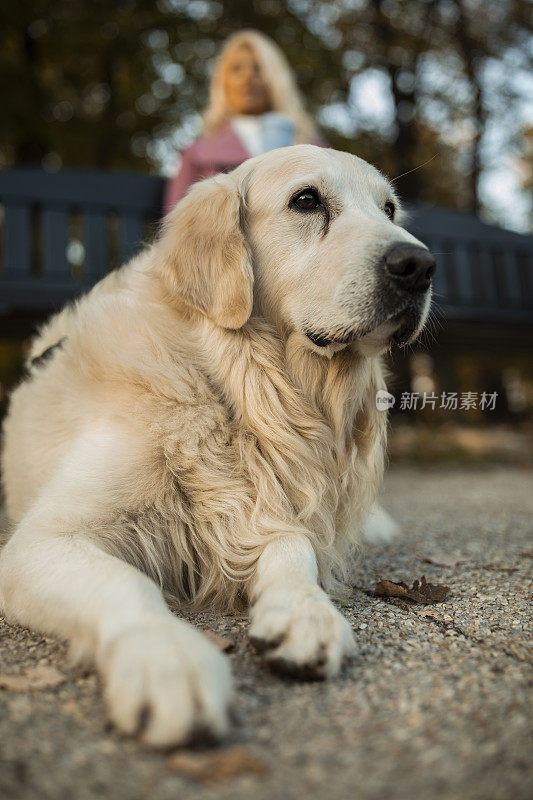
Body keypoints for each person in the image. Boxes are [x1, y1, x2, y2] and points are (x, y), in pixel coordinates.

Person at [163, 30, 323, 213]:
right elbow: (177, 226)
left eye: (258, 67)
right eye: (236, 69)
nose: (247, 76)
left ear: (275, 78)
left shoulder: (311, 142)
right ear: (223, 81)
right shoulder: (197, 154)